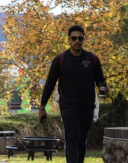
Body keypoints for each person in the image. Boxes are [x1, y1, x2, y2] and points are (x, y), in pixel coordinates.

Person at [38, 25, 109, 163]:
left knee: (82, 141)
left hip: (87, 107)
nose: (77, 41)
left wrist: (103, 87)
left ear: (84, 40)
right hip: (68, 106)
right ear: (68, 40)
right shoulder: (60, 60)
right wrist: (42, 108)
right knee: (72, 138)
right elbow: (50, 84)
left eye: (80, 38)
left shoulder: (93, 59)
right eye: (74, 38)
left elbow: (100, 79)